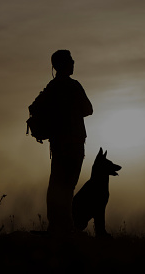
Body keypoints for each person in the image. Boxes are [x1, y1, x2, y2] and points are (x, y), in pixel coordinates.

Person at [42, 50, 93, 235]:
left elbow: (35, 107)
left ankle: (56, 226)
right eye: (70, 61)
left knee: (57, 185)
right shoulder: (72, 86)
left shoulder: (52, 87)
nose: (73, 63)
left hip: (58, 144)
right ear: (62, 65)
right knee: (67, 186)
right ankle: (64, 228)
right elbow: (88, 109)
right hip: (73, 143)